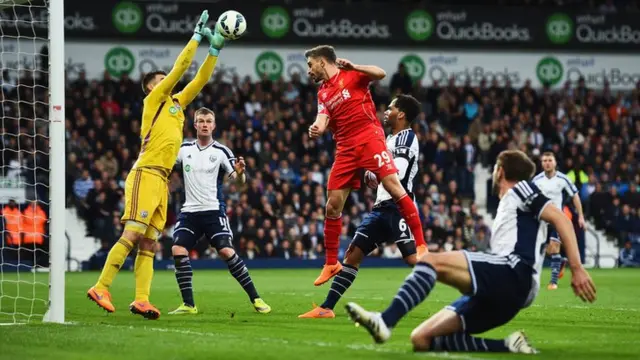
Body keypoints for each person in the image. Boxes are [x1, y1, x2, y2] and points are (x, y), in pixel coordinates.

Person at [345, 150, 596, 354]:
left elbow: (560, 218)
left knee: (430, 260)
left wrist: (576, 267)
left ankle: (385, 320)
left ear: (500, 171)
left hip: (514, 271)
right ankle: (509, 346)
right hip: (506, 291)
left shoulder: (521, 189)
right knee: (421, 339)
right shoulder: (510, 202)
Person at [86, 11, 227, 319]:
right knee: (134, 233)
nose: (167, 83)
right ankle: (101, 285)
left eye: (166, 81)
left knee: (150, 242)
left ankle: (141, 299)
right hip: (145, 175)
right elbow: (182, 68)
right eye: (160, 81)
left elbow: (200, 78)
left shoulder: (177, 105)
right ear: (151, 87)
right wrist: (196, 37)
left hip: (162, 181)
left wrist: (214, 49)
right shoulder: (153, 103)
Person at [305, 45, 427, 287]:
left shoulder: (352, 74)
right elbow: (322, 118)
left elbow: (380, 73)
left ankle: (421, 244)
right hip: (345, 148)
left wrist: (355, 65)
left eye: (310, 65)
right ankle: (331, 263)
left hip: (369, 137)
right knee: (333, 204)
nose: (309, 70)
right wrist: (317, 127)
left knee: (394, 186)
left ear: (321, 61)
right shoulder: (323, 92)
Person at [299, 95, 421, 318]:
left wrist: (377, 172)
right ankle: (327, 308)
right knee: (353, 254)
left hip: (398, 208)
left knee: (413, 259)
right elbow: (379, 172)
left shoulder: (407, 138)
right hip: (380, 208)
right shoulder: (387, 139)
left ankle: (464, 282)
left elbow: (399, 172)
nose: (386, 111)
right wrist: (371, 173)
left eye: (391, 107)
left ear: (401, 114)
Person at [168, 107, 271, 315]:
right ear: (195, 124)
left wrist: (241, 174)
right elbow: (165, 164)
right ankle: (189, 305)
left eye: (208, 121)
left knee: (226, 251)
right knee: (178, 249)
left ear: (214, 125)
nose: (205, 124)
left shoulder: (222, 152)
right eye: (201, 121)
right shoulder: (183, 149)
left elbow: (239, 183)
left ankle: (256, 298)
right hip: (189, 212)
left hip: (213, 211)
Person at [532, 152, 585, 289]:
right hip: (541, 219)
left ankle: (553, 282)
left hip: (557, 218)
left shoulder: (563, 179)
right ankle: (560, 262)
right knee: (545, 250)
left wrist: (581, 216)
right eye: (544, 161)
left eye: (550, 160)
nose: (547, 163)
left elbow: (575, 196)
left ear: (555, 163)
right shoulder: (536, 180)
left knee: (554, 247)